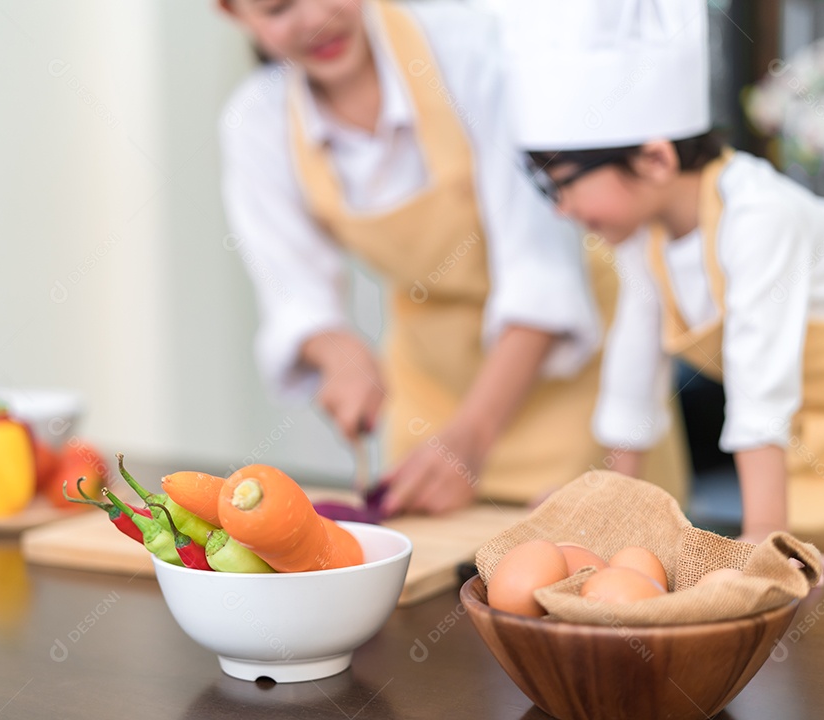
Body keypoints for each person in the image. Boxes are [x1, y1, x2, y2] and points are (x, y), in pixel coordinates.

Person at [217, 0, 689, 515]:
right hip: (430, 393)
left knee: (592, 565)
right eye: (277, 8)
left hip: (576, 387)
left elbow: (541, 273)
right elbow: (296, 295)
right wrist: (339, 353)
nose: (314, 19)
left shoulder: (469, 51)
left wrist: (475, 432)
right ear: (233, 13)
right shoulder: (256, 121)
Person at [503, 0, 824, 578]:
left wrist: (763, 540)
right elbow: (633, 374)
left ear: (655, 159)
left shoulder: (758, 215)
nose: (562, 210)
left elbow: (762, 384)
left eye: (564, 186)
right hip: (812, 445)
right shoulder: (644, 237)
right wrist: (608, 509)